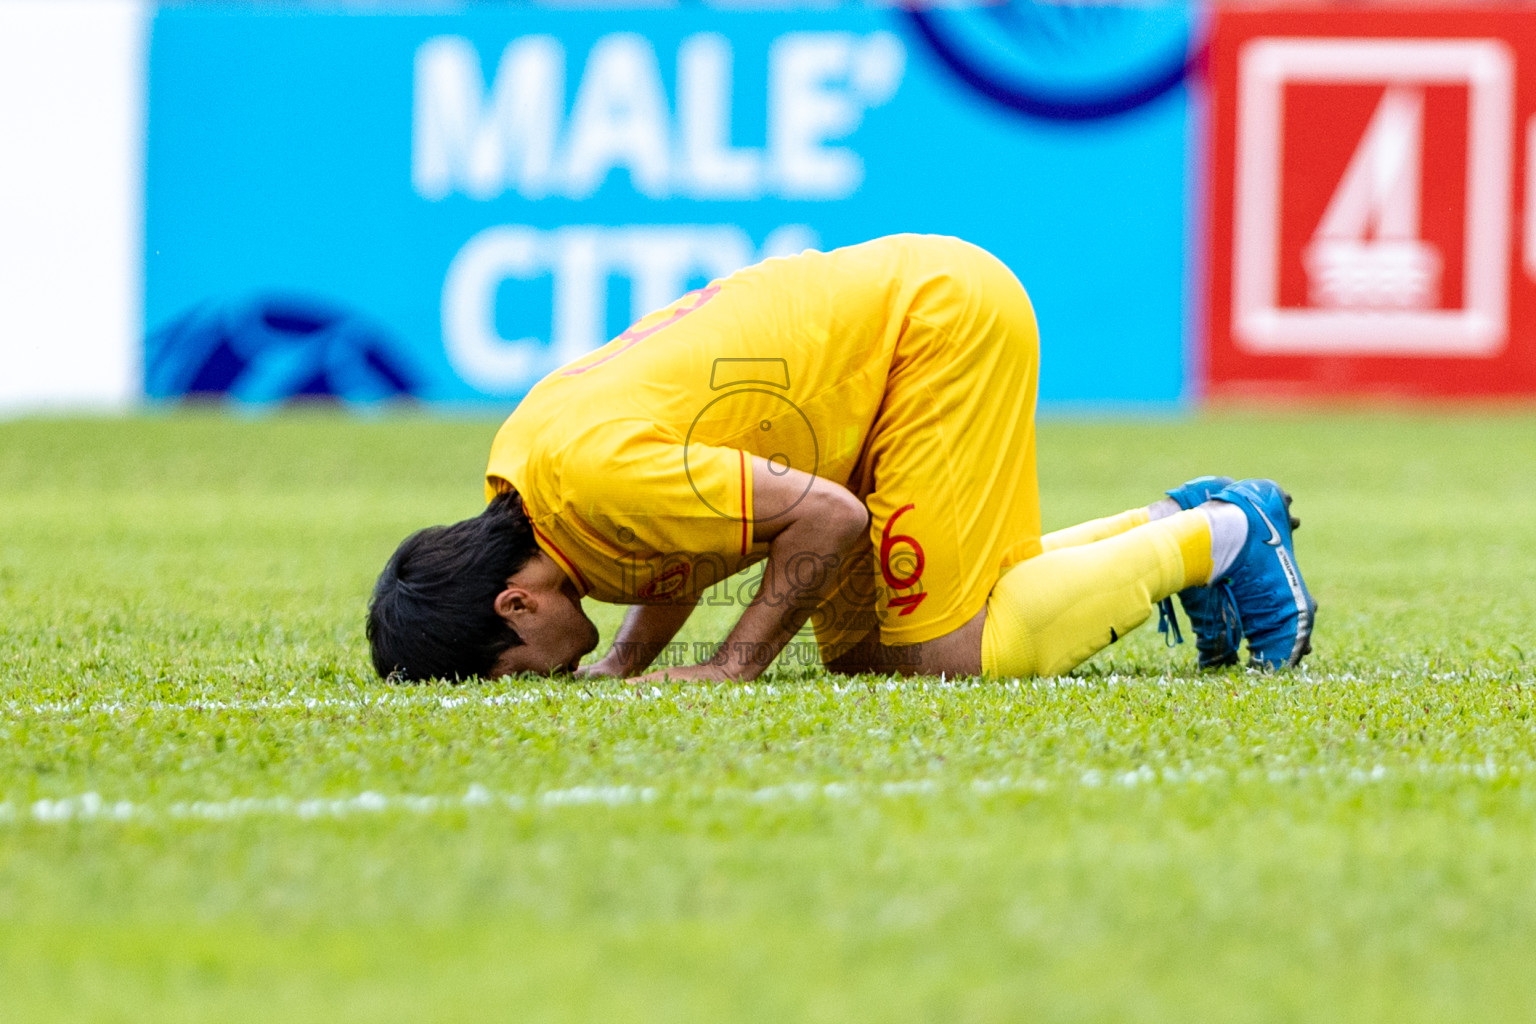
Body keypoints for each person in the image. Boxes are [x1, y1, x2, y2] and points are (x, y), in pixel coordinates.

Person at [367, 234, 1315, 683]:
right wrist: (628, 660)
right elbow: (681, 543)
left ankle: (1227, 537)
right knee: (866, 655)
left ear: (515, 604)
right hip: (878, 368)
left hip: (930, 332)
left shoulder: (590, 480)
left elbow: (827, 518)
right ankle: (1171, 522)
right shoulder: (534, 475)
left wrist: (731, 667)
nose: (544, 682)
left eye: (520, 672)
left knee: (945, 656)